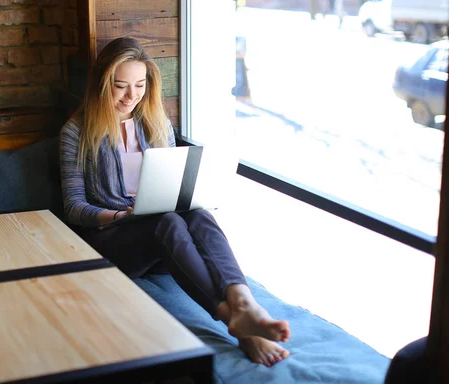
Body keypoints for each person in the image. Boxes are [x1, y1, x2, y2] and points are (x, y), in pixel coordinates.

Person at [59, 37, 291, 366]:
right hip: (113, 240)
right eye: (121, 86)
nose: (131, 96)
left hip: (165, 242)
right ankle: (236, 324)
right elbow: (74, 208)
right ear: (101, 84)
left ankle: (242, 301)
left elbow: (175, 182)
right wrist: (116, 215)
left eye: (140, 85)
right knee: (166, 221)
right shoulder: (75, 132)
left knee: (195, 213)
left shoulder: (156, 122)